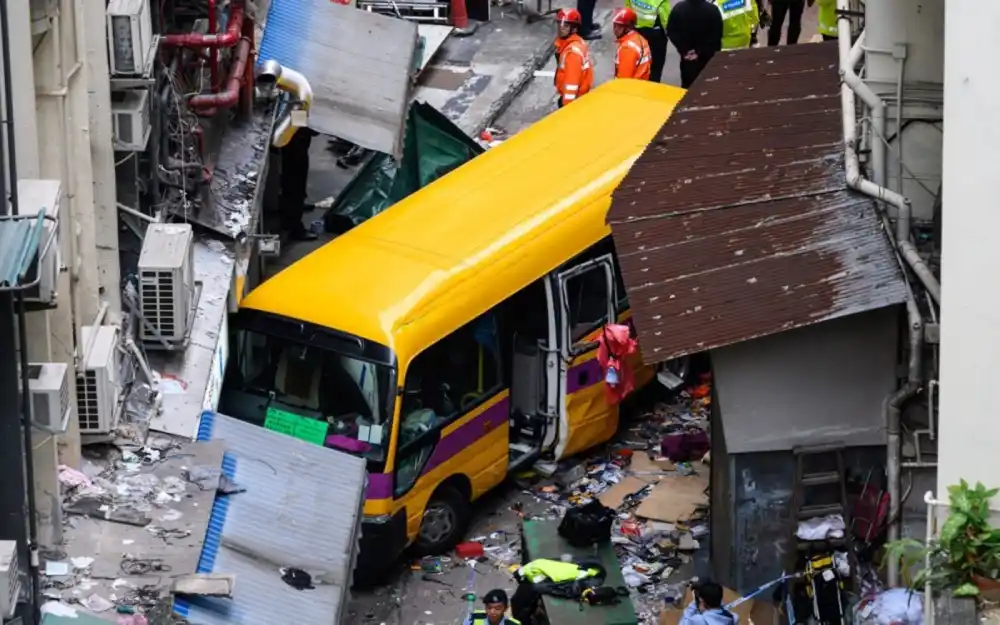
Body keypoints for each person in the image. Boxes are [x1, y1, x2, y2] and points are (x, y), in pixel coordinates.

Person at [666, 0, 723, 88]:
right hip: (707, 58)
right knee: (707, 86)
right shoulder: (712, 10)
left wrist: (684, 50)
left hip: (687, 58)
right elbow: (717, 35)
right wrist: (699, 51)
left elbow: (671, 31)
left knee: (687, 86)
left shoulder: (679, 9)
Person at [279, 128, 319, 241]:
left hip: (296, 133)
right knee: (295, 178)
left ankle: (294, 210)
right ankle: (293, 224)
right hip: (295, 135)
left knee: (294, 176)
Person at [553, 8, 594, 108]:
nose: (561, 28)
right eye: (559, 24)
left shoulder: (572, 53)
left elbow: (572, 84)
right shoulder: (575, 43)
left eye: (566, 26)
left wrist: (566, 106)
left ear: (574, 29)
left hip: (573, 101)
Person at [624, 0, 670, 82]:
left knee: (637, 61)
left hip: (636, 29)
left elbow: (628, 6)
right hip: (654, 33)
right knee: (655, 66)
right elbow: (665, 19)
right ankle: (652, 88)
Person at [612, 8, 652, 80]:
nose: (615, 29)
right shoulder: (640, 39)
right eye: (614, 25)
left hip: (631, 88)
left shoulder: (627, 48)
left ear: (628, 27)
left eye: (618, 26)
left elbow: (623, 80)